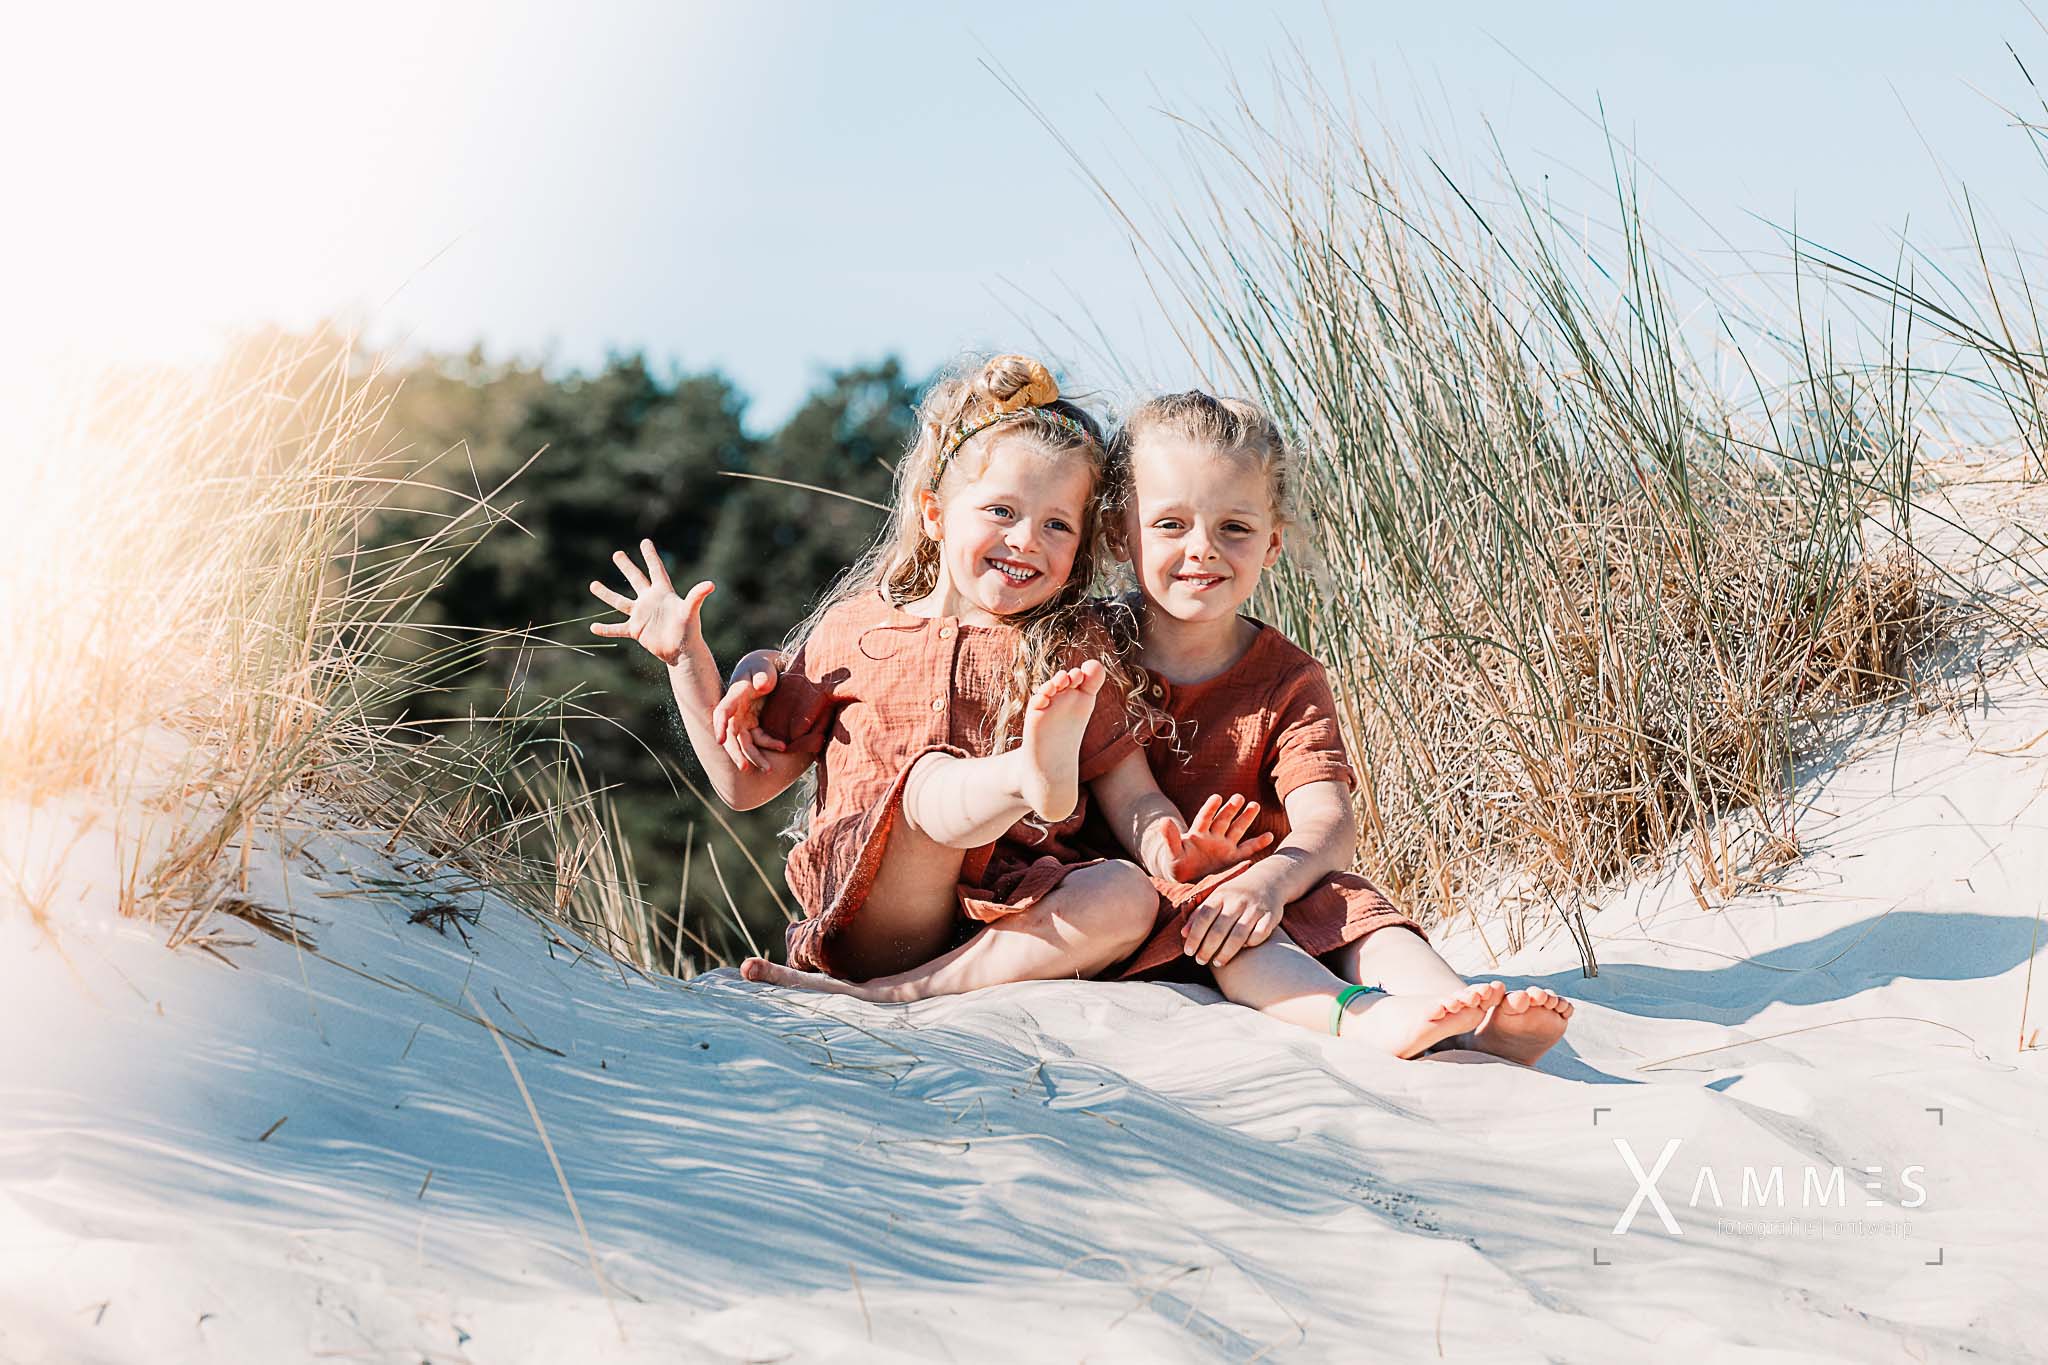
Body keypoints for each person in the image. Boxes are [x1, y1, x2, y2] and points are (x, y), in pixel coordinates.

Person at [708, 381, 1544, 1061]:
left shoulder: (1268, 674)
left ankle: (1462, 1009)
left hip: (1208, 890)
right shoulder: (1078, 642)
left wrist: (1233, 869)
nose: (1202, 551)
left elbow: (1318, 823)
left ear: (1273, 543)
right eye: (1171, 524)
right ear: (1122, 533)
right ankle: (1366, 1016)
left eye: (1236, 528)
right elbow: (759, 762)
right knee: (1203, 912)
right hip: (1043, 899)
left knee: (1350, 910)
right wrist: (734, 668)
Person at [588, 355, 1268, 998]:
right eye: (1002, 511)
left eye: (1057, 524)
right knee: (927, 783)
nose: (1027, 538)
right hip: (875, 912)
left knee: (1126, 893)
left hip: (1001, 921)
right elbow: (742, 781)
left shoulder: (1069, 647)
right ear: (934, 513)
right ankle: (1025, 777)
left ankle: (908, 998)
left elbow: (1133, 795)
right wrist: (688, 660)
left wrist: (1169, 848)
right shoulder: (856, 630)